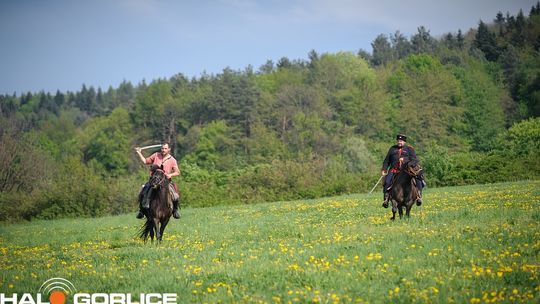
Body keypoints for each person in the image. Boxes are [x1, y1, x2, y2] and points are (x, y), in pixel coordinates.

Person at [135, 143, 181, 219]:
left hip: (165, 182)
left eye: (165, 148)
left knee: (175, 196)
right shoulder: (156, 155)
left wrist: (170, 175)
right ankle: (141, 211)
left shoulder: (172, 160)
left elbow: (178, 172)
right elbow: (145, 161)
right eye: (162, 148)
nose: (163, 150)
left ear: (169, 149)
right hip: (153, 181)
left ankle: (175, 211)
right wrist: (139, 152)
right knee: (143, 192)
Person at [381, 134, 425, 208]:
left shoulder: (409, 149)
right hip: (394, 170)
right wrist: (384, 169)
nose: (399, 142)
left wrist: (404, 159)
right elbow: (386, 160)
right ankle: (386, 199)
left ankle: (419, 197)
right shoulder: (392, 149)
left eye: (401, 141)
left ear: (404, 142)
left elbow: (415, 159)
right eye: (398, 141)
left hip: (407, 171)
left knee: (418, 180)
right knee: (387, 182)